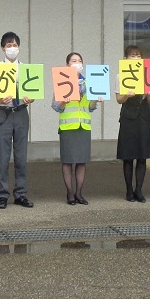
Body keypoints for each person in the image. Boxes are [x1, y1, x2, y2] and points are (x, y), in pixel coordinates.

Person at [0, 31, 34, 210]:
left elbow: (33, 94)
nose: (12, 48)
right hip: (3, 113)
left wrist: (30, 99)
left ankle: (20, 194)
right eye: (8, 45)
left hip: (21, 112)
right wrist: (0, 100)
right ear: (2, 48)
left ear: (18, 47)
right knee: (3, 157)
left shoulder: (26, 69)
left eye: (14, 45)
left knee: (21, 156)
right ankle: (2, 195)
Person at [51, 51, 97, 205]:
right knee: (68, 162)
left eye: (79, 60)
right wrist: (64, 101)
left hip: (83, 126)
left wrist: (95, 101)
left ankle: (79, 193)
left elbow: (90, 108)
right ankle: (70, 193)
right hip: (68, 127)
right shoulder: (61, 81)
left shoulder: (88, 82)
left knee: (82, 161)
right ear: (67, 65)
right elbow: (56, 106)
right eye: (73, 61)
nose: (77, 63)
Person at [116, 45, 150, 202]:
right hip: (128, 118)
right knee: (128, 156)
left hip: (144, 118)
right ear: (126, 58)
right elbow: (118, 100)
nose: (136, 58)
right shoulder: (120, 76)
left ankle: (139, 189)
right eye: (132, 55)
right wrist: (126, 94)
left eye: (138, 55)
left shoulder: (147, 74)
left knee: (142, 156)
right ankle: (128, 190)